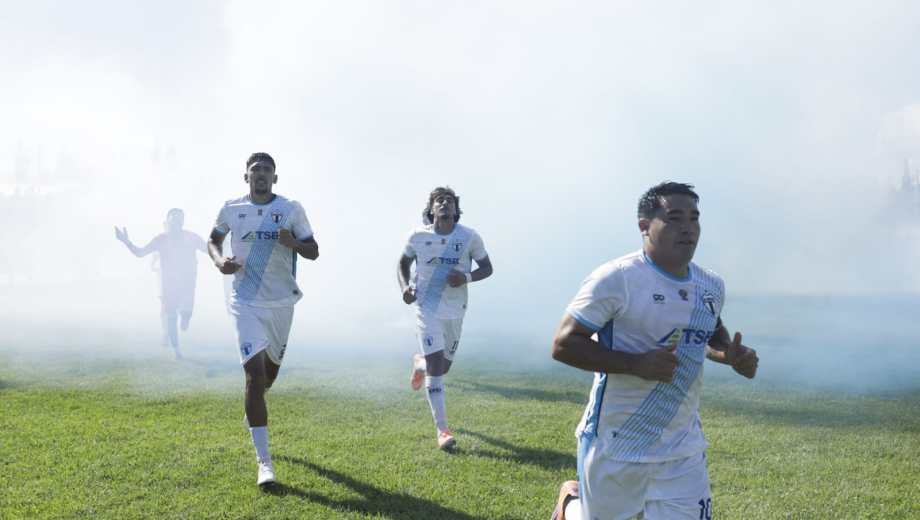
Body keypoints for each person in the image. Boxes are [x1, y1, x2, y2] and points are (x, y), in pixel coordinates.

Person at [550, 182, 758, 520]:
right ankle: (571, 504)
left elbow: (707, 336)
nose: (688, 227)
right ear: (644, 226)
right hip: (615, 444)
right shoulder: (616, 278)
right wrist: (636, 364)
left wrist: (731, 356)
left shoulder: (710, 285)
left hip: (682, 449)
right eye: (674, 218)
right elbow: (563, 344)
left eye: (694, 218)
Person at [207, 152, 319, 486]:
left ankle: (253, 408)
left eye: (266, 170)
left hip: (282, 303)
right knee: (254, 379)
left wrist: (294, 243)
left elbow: (313, 250)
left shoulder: (290, 209)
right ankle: (265, 464)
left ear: (275, 178)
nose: (260, 174)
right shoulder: (231, 208)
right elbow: (212, 240)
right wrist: (219, 262)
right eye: (255, 170)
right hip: (245, 302)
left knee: (268, 378)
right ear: (246, 177)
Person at [397, 186, 493, 450]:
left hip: (455, 311)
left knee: (443, 367)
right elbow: (403, 264)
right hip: (426, 309)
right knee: (438, 368)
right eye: (439, 200)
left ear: (456, 209)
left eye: (449, 200)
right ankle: (442, 431)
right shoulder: (417, 236)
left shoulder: (469, 237)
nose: (444, 203)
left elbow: (487, 267)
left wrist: (466, 277)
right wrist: (406, 287)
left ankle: (420, 364)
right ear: (431, 209)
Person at [115, 208, 206, 359]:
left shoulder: (191, 237)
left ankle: (186, 316)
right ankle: (177, 350)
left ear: (182, 222)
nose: (176, 224)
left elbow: (211, 250)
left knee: (184, 316)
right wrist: (127, 242)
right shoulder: (161, 239)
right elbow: (140, 253)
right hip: (168, 286)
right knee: (171, 317)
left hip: (187, 284)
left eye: (179, 220)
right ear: (168, 222)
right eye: (173, 220)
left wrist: (226, 250)